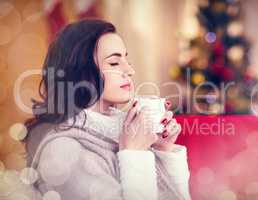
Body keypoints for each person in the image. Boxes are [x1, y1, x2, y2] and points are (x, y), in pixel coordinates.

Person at [23, 19, 191, 200]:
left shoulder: (125, 135)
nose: (130, 70)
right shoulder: (61, 151)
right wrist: (134, 154)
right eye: (114, 63)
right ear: (80, 72)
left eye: (127, 59)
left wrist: (162, 151)